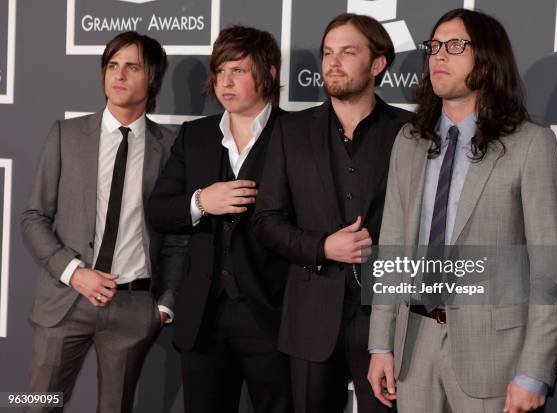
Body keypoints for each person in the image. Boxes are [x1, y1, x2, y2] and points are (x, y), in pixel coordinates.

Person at [367, 9, 557, 413]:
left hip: (495, 354)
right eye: (434, 46)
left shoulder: (529, 144)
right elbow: (391, 247)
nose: (439, 56)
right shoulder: (409, 141)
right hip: (414, 345)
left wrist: (533, 372)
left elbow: (550, 269)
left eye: (456, 46)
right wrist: (380, 343)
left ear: (488, 60)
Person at [253, 13, 413, 413]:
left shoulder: (410, 132)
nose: (332, 63)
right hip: (311, 318)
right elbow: (266, 221)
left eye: (347, 52)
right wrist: (323, 246)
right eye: (327, 53)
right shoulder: (290, 131)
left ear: (378, 65)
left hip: (388, 319)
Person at [21, 31, 187, 412]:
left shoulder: (171, 147)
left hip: (134, 308)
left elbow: (178, 237)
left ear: (153, 79)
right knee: (36, 405)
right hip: (65, 301)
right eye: (112, 65)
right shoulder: (66, 134)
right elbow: (33, 218)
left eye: (132, 67)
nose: (119, 75)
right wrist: (75, 272)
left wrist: (163, 306)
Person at [148, 25, 292, 413]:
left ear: (270, 73)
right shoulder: (195, 135)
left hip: (272, 313)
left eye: (238, 71)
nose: (225, 82)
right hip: (204, 316)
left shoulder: (295, 134)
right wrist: (200, 201)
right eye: (220, 71)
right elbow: (159, 209)